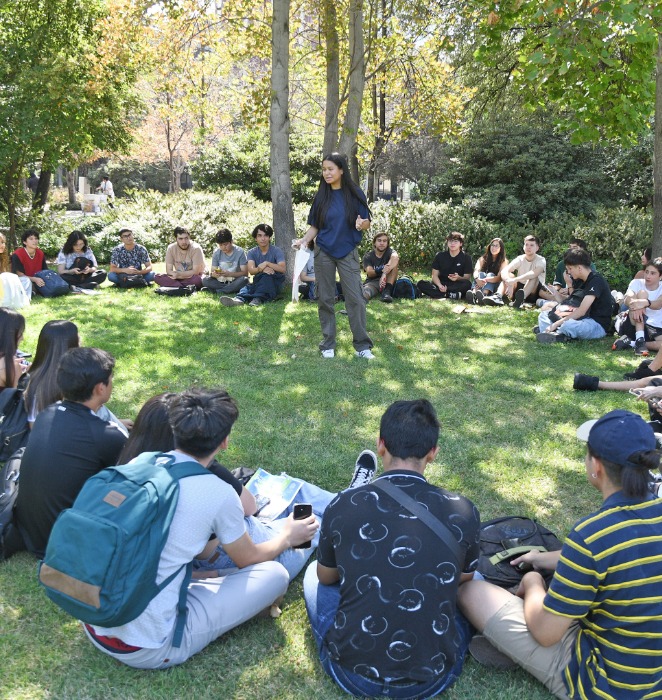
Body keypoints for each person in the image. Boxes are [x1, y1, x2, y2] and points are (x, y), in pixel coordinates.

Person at [83, 387, 316, 669]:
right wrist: (286, 537)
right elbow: (250, 558)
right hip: (149, 645)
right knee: (275, 574)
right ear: (225, 441)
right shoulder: (217, 491)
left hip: (95, 620)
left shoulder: (140, 462)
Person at [458, 409, 662, 700]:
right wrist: (545, 558)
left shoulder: (592, 535)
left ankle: (506, 647)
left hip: (608, 684)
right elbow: (629, 551)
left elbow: (545, 632)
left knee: (472, 593)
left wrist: (532, 582)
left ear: (596, 467)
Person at [304, 399, 480, 699]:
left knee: (311, 574)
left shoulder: (343, 504)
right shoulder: (463, 510)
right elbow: (463, 580)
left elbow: (326, 577)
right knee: (476, 583)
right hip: (432, 678)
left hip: (351, 672)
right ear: (433, 453)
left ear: (380, 445)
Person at [117, 391, 341, 581]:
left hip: (200, 562)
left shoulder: (133, 466)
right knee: (315, 519)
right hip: (242, 553)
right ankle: (349, 505)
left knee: (294, 500)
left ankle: (345, 501)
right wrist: (287, 538)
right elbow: (246, 550)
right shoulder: (212, 485)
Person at [1, 347, 127, 560]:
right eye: (111, 379)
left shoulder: (46, 415)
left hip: (28, 530)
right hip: (62, 541)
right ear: (100, 388)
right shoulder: (107, 436)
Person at [293, 152, 374, 360]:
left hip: (347, 252)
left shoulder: (354, 193)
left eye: (330, 169)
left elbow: (366, 221)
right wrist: (303, 241)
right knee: (325, 299)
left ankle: (362, 346)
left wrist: (361, 224)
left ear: (341, 170)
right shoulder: (322, 195)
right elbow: (315, 226)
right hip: (324, 253)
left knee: (355, 298)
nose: (326, 173)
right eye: (324, 169)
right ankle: (327, 344)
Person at [535, 248, 612, 343]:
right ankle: (558, 334)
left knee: (569, 325)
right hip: (580, 318)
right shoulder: (579, 280)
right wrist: (556, 294)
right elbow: (572, 303)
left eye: (570, 269)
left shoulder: (596, 281)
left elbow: (581, 311)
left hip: (594, 323)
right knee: (544, 315)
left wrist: (555, 324)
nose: (569, 272)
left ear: (579, 268)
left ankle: (553, 332)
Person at [220, 224, 286, 307]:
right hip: (258, 279)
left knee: (266, 278)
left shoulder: (277, 251)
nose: (263, 239)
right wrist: (260, 269)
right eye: (259, 236)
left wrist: (267, 263)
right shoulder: (252, 252)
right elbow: (251, 271)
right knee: (249, 286)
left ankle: (257, 299)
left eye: (266, 235)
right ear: (255, 238)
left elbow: (282, 269)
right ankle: (238, 300)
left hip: (274, 280)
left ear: (269, 237)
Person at [611, 258, 662, 356]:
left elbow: (659, 304)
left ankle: (633, 343)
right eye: (646, 272)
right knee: (642, 294)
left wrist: (645, 303)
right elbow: (627, 298)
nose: (648, 276)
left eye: (653, 273)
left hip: (654, 328)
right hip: (633, 324)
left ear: (660, 276)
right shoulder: (637, 283)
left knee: (642, 300)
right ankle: (639, 337)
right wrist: (637, 303)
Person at [416, 231, 473, 300]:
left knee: (467, 284)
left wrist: (458, 278)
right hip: (441, 283)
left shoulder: (466, 257)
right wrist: (440, 286)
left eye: (455, 241)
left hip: (457, 284)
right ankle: (450, 295)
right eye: (450, 241)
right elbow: (434, 275)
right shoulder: (440, 256)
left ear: (461, 243)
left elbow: (467, 277)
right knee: (421, 284)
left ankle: (443, 294)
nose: (452, 243)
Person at [500, 235, 547, 308]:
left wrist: (515, 280)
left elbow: (534, 273)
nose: (528, 247)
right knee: (509, 275)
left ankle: (521, 299)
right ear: (523, 247)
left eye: (532, 245)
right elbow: (504, 271)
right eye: (526, 244)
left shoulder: (541, 260)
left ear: (537, 248)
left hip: (534, 291)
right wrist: (509, 281)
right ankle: (498, 296)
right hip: (520, 288)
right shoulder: (520, 258)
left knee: (534, 277)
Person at [200, 228, 249, 295]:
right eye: (220, 245)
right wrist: (214, 274)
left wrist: (230, 274)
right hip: (220, 281)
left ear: (231, 242)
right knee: (205, 280)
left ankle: (218, 291)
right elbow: (212, 271)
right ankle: (229, 289)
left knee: (244, 279)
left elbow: (245, 273)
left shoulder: (240, 252)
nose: (223, 247)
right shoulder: (217, 253)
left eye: (225, 244)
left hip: (235, 280)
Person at [466, 237, 509, 305]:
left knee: (490, 274)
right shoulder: (483, 259)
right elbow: (476, 270)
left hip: (494, 285)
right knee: (481, 274)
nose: (493, 247)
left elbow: (499, 278)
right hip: (481, 283)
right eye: (492, 245)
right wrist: (477, 279)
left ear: (501, 248)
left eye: (496, 246)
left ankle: (484, 295)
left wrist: (486, 280)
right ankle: (474, 294)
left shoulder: (504, 262)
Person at [362, 232, 399, 303]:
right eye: (379, 240)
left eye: (384, 241)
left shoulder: (390, 252)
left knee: (394, 266)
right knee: (366, 292)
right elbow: (370, 273)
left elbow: (395, 258)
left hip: (389, 281)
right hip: (374, 282)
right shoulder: (368, 256)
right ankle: (357, 304)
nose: (382, 243)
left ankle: (386, 293)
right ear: (374, 243)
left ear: (387, 244)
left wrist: (384, 273)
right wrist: (381, 270)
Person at [11, 229, 48, 296]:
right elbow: (20, 275)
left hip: (38, 279)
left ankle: (34, 291)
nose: (34, 241)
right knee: (25, 282)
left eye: (36, 238)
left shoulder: (40, 253)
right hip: (23, 281)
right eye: (31, 239)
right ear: (25, 242)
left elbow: (45, 270)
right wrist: (34, 279)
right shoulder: (17, 254)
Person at [0, 232, 30, 309]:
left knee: (25, 280)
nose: (2, 245)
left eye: (3, 242)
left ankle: (24, 300)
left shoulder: (3, 258)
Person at [0, 308, 27, 390]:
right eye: (20, 333)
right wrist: (26, 374)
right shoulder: (10, 366)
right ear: (9, 336)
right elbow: (16, 399)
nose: (22, 338)